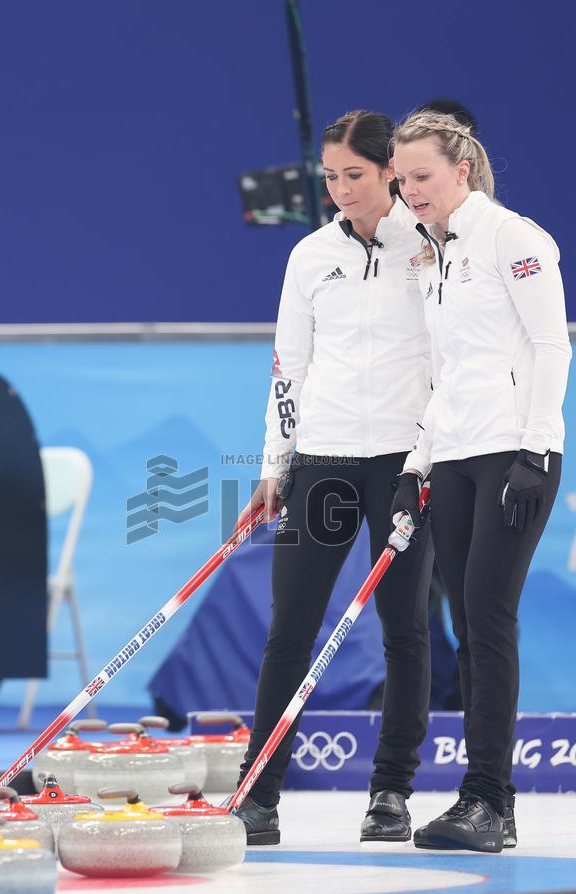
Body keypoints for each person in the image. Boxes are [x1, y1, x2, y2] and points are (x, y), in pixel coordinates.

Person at [235, 109, 435, 846]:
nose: (339, 190)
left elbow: (450, 361)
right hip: (319, 463)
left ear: (389, 171)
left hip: (400, 464)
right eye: (329, 177)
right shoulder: (308, 255)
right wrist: (272, 467)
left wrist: (428, 457)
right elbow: (288, 368)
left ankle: (390, 793)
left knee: (404, 630)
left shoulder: (429, 246)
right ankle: (258, 795)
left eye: (353, 175)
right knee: (287, 629)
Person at [391, 111, 571, 852]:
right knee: (466, 627)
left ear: (462, 169)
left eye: (421, 177)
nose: (409, 193)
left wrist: (536, 449)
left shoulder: (514, 239)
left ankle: (488, 802)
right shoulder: (431, 260)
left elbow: (549, 346)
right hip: (457, 457)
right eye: (400, 181)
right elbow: (447, 378)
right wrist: (413, 466)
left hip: (512, 454)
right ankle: (485, 800)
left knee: (487, 619)